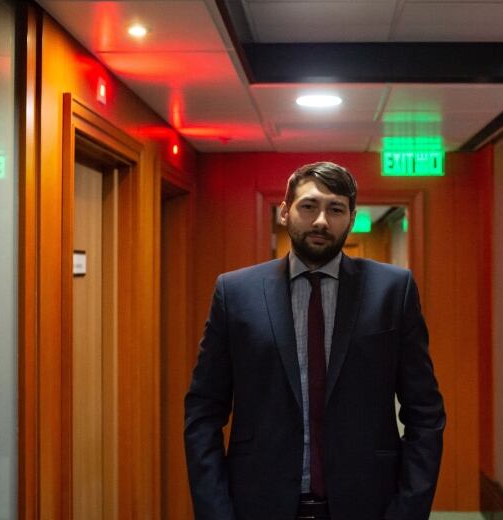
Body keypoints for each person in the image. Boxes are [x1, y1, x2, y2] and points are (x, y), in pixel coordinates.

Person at [185, 161, 445, 520]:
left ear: (351, 218)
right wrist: (215, 511)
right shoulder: (235, 293)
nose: (321, 220)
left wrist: (408, 510)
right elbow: (202, 412)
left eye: (336, 209)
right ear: (285, 212)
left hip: (368, 503)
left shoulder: (392, 291)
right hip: (258, 503)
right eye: (309, 206)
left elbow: (425, 413)